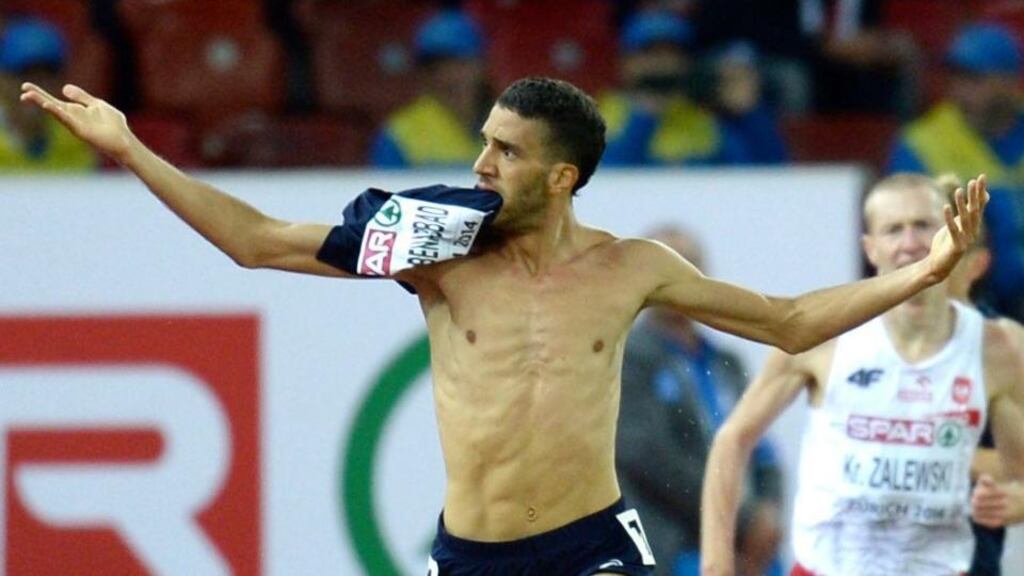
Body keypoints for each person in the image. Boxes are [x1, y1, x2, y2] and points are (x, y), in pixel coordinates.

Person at [20, 76, 987, 576]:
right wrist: (130, 148)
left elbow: (789, 321)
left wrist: (931, 272)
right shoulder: (434, 248)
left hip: (593, 545)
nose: (479, 163)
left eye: (505, 151)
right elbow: (259, 241)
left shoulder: (631, 268)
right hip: (472, 555)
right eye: (482, 140)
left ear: (561, 177)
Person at [700, 173, 1022, 576]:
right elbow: (733, 438)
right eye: (893, 230)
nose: (909, 243)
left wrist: (1018, 500)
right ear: (870, 248)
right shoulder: (827, 334)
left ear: (952, 233)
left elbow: (1019, 474)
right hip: (829, 566)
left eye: (923, 225)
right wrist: (715, 566)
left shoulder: (999, 348)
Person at [617, 225, 783, 576]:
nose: (681, 275)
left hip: (751, 547)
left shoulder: (727, 361)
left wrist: (769, 513)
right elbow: (648, 457)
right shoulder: (627, 356)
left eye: (690, 263)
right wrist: (739, 521)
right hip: (677, 545)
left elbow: (764, 446)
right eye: (667, 264)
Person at [888, 23, 1024, 322]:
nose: (960, 91)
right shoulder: (922, 143)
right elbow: (909, 235)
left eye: (975, 79)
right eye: (955, 78)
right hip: (969, 300)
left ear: (1010, 82)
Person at [599, 11, 753, 166]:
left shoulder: (703, 116)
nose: (662, 63)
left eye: (672, 53)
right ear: (627, 63)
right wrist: (644, 117)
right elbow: (602, 173)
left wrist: (746, 116)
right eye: (650, 52)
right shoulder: (605, 111)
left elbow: (754, 170)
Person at [369, 9, 489, 168]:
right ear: (424, 75)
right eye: (438, 68)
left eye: (461, 64)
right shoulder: (399, 135)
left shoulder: (510, 126)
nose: (452, 77)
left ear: (481, 66)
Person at [0, 18, 96, 171]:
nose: (36, 87)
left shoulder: (75, 140)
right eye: (25, 75)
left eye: (47, 76)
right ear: (3, 80)